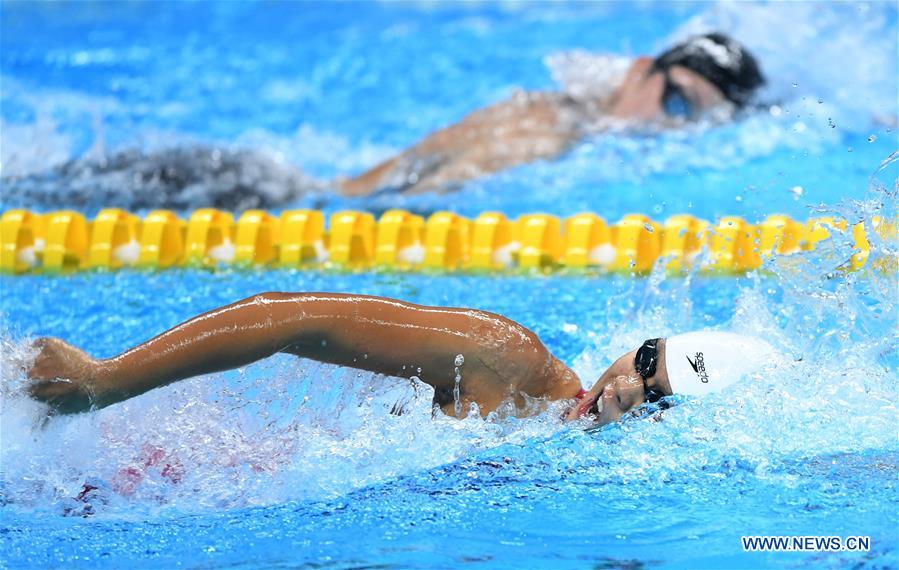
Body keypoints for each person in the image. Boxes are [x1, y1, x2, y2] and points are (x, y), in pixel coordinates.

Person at [26, 292, 775, 426]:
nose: (620, 389)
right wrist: (106, 380)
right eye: (643, 360)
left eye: (656, 396)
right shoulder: (505, 361)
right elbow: (291, 320)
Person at [338, 32, 766, 196]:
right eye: (677, 101)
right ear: (639, 70)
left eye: (697, 121)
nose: (674, 125)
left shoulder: (572, 122)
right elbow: (411, 199)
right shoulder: (548, 130)